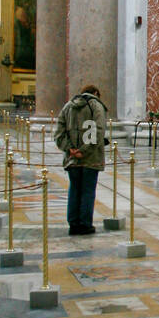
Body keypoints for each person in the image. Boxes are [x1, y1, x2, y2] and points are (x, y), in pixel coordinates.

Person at [54, 84, 107, 236]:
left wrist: (69, 149)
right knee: (88, 191)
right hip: (91, 158)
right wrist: (84, 151)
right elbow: (98, 130)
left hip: (72, 158)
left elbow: (59, 132)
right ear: (96, 93)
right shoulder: (96, 106)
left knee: (75, 189)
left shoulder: (68, 106)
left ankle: (73, 223)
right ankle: (84, 224)